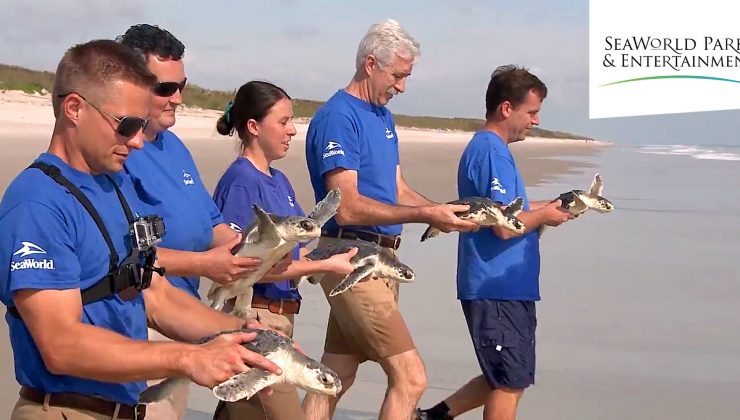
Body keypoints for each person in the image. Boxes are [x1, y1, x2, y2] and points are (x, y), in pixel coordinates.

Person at [0, 40, 282, 420]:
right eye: (126, 125)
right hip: (65, 410)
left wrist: (239, 330)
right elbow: (61, 344)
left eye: (140, 125)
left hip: (126, 408)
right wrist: (188, 358)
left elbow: (154, 293)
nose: (136, 141)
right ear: (74, 109)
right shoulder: (38, 203)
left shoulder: (112, 188)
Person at [303, 19, 480, 420]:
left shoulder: (382, 117)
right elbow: (345, 205)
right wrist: (423, 214)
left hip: (381, 259)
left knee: (336, 373)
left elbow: (397, 189)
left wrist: (441, 212)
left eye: (406, 77)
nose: (401, 87)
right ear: (371, 64)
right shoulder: (338, 117)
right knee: (412, 378)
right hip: (351, 256)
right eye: (398, 75)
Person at [118, 24, 270, 418]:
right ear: (130, 83)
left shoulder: (176, 147)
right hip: (140, 323)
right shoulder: (115, 153)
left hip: (185, 320)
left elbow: (213, 225)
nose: (178, 98)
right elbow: (123, 253)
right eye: (165, 89)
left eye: (181, 85)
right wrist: (205, 265)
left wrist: (261, 253)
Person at [416, 66, 574, 420]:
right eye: (531, 112)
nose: (535, 120)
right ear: (507, 108)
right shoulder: (490, 151)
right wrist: (544, 217)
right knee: (509, 381)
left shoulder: (493, 150)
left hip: (506, 285)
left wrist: (546, 210)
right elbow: (503, 227)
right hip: (496, 284)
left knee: (504, 372)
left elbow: (506, 214)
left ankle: (434, 416)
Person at [210, 80, 359, 420]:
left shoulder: (279, 181)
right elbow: (250, 265)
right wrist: (326, 267)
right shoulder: (241, 182)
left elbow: (291, 255)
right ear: (253, 126)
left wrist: (333, 258)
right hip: (256, 316)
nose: (293, 130)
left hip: (282, 317)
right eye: (283, 121)